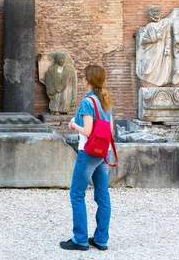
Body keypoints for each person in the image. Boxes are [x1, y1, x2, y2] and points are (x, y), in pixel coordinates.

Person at [60, 64, 113, 251]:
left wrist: (74, 125)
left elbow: (89, 131)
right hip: (103, 153)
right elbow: (110, 130)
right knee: (102, 195)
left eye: (84, 77)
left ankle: (80, 239)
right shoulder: (105, 100)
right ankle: (101, 239)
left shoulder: (88, 102)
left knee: (76, 193)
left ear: (88, 80)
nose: (82, 80)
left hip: (89, 152)